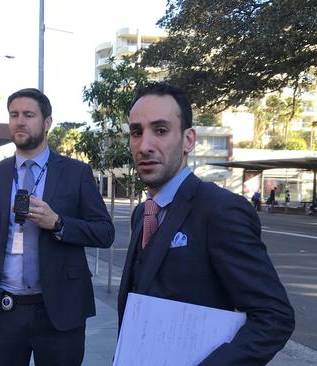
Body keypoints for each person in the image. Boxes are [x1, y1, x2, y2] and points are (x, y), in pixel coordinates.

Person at [118, 82, 294, 364]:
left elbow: (274, 317)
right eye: (137, 132)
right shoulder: (143, 213)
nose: (145, 145)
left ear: (189, 140)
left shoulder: (221, 210)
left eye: (160, 130)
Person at [0, 88, 115, 366]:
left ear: (47, 122)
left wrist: (58, 223)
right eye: (14, 115)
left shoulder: (76, 173)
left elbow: (104, 232)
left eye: (29, 115)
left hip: (60, 312)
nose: (20, 121)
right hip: (2, 311)